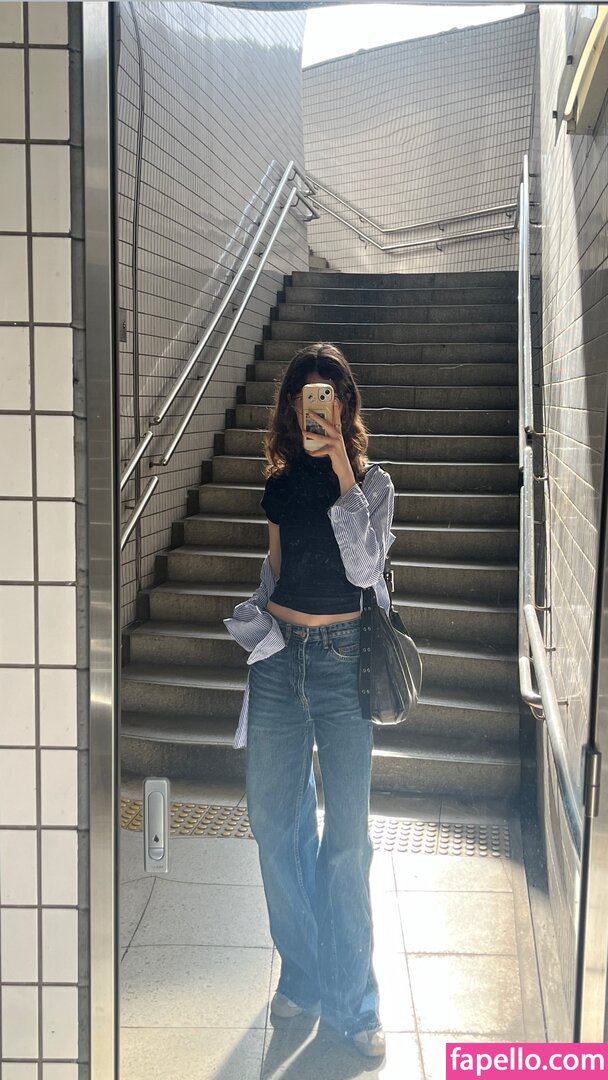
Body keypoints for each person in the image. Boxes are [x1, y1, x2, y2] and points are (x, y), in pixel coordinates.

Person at [224, 342, 396, 1059]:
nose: (314, 409)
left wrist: (342, 470)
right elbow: (277, 567)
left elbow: (364, 566)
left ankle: (354, 1002)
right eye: (304, 398)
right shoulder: (280, 482)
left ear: (345, 406)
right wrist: (255, 622)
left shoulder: (373, 484)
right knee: (274, 825)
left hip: (343, 663)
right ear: (291, 407)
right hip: (279, 661)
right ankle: (302, 971)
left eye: (327, 395)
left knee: (347, 840)